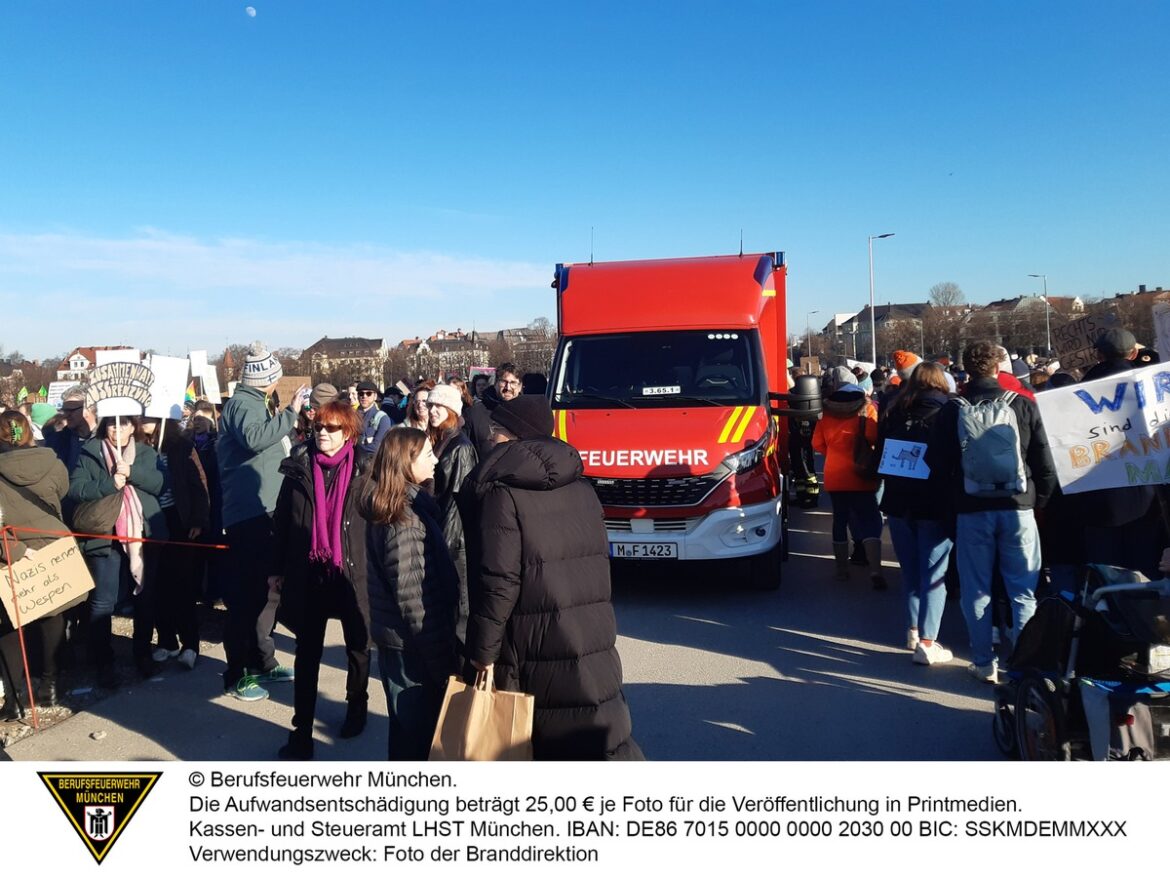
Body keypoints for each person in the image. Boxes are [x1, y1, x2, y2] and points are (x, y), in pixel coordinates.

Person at [460, 395, 641, 760]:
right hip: (590, 630)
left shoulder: (503, 495)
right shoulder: (582, 486)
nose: (490, 438)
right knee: (595, 724)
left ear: (513, 436)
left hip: (533, 639)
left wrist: (481, 652)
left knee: (542, 740)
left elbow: (499, 580)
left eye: (496, 430)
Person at [926, 340, 1058, 684]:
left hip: (971, 509)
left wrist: (954, 497)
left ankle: (984, 662)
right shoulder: (1022, 405)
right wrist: (1037, 500)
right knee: (1022, 590)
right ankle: (1024, 664)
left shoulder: (952, 409)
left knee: (976, 589)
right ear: (999, 367)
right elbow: (1045, 461)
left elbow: (935, 463)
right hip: (1018, 508)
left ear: (965, 369)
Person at [269, 401, 372, 759]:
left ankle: (357, 704)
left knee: (358, 646)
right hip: (309, 573)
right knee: (306, 653)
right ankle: (302, 731)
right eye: (319, 428)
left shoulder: (366, 468)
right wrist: (276, 570)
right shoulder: (299, 467)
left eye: (332, 428)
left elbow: (379, 522)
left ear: (349, 432)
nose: (323, 434)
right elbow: (282, 521)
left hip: (352, 574)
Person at [363, 428, 463, 760]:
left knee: (409, 735)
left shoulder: (408, 506)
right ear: (407, 462)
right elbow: (414, 601)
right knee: (414, 741)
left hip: (405, 646)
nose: (436, 461)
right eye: (428, 455)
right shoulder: (403, 521)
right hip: (412, 650)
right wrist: (442, 664)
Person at [216, 342, 307, 702]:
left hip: (264, 509)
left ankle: (262, 661)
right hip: (249, 514)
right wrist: (291, 413)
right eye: (275, 377)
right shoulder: (242, 404)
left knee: (266, 595)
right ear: (266, 379)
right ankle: (236, 673)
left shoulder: (254, 403)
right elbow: (255, 439)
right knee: (246, 597)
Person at [69, 416, 168, 687]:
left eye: (124, 424)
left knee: (144, 597)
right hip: (105, 534)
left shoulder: (147, 452)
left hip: (141, 533)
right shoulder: (90, 451)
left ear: (133, 427)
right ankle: (104, 662)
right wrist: (109, 484)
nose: (118, 429)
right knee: (103, 601)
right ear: (105, 426)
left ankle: (142, 654)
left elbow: (160, 484)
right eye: (113, 424)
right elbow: (76, 488)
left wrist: (132, 472)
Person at [875, 362, 954, 663]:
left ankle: (911, 629)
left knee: (909, 569)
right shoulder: (950, 410)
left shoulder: (893, 409)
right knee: (934, 573)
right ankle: (928, 640)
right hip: (934, 501)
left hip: (897, 499)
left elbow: (880, 451)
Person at [0, 411, 74, 715]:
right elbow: (62, 493)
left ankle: (14, 700)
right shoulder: (54, 463)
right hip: (51, 546)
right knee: (52, 617)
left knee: (9, 624)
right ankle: (49, 687)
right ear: (29, 431)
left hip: (10, 548)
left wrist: (15, 552)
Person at [812, 372, 886, 589]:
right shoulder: (866, 408)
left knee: (840, 520)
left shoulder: (827, 412)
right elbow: (874, 437)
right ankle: (875, 569)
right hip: (861, 474)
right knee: (870, 519)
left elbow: (817, 444)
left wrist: (833, 454)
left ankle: (842, 570)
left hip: (835, 474)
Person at [147, 419, 210, 671]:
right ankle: (166, 639)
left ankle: (190, 644)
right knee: (157, 585)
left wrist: (198, 519)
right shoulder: (136, 448)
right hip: (150, 522)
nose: (145, 422)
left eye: (150, 418)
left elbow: (199, 483)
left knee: (182, 585)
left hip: (179, 520)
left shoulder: (182, 446)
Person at [424, 384, 477, 601]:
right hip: (441, 532)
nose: (432, 410)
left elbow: (457, 502)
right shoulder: (440, 441)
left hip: (454, 542)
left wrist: (444, 542)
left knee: (458, 606)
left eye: (439, 406)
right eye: (430, 405)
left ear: (452, 411)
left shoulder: (460, 448)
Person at [465, 363, 521, 459]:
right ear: (495, 383)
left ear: (520, 386)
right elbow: (466, 454)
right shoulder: (474, 413)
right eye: (504, 382)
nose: (508, 388)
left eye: (513, 383)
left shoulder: (528, 414)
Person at [355, 380, 392, 458]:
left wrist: (354, 447)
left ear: (375, 396)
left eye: (368, 393)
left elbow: (377, 447)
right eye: (361, 393)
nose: (364, 396)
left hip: (371, 464)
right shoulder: (351, 416)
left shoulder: (382, 418)